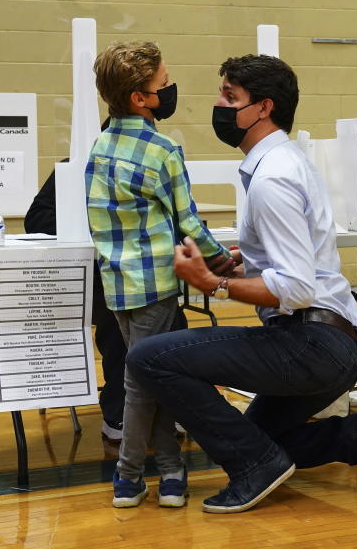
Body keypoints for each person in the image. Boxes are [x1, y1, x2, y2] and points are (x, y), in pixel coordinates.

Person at [124, 54, 357, 514]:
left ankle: (256, 469)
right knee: (255, 436)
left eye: (230, 97)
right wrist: (244, 265)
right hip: (332, 339)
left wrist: (212, 284)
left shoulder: (271, 179)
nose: (218, 105)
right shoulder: (284, 160)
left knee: (150, 358)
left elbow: (295, 288)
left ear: (263, 108)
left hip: (312, 341)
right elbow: (294, 263)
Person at [85, 41, 234, 508]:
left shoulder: (100, 144)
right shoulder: (164, 149)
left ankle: (171, 470)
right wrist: (221, 260)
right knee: (140, 383)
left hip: (115, 283)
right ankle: (128, 476)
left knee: (152, 376)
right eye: (163, 85)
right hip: (155, 285)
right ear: (140, 98)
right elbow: (187, 221)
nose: (169, 90)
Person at [24, 147, 126, 443]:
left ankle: (175, 409)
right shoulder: (74, 168)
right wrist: (94, 229)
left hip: (139, 274)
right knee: (118, 318)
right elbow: (37, 220)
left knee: (172, 323)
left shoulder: (154, 162)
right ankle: (117, 413)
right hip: (87, 278)